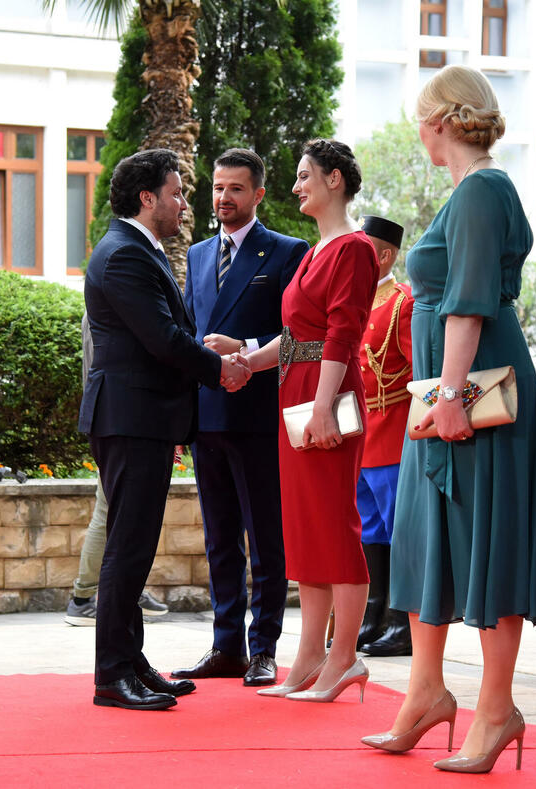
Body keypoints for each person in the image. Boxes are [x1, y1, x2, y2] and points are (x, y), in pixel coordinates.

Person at [361, 65, 536, 772]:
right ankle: (425, 693)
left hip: (470, 393)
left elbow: (469, 302)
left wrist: (450, 398)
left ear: (442, 120)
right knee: (428, 541)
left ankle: (496, 710)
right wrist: (442, 396)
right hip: (446, 391)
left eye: (421, 117)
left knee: (486, 543)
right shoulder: (470, 191)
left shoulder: (481, 190)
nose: (418, 131)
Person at [79, 148, 251, 711]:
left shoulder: (138, 249)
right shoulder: (124, 254)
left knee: (134, 547)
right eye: (177, 194)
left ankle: (131, 663)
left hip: (141, 419)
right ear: (147, 198)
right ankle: (112, 675)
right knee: (128, 549)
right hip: (130, 419)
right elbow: (163, 339)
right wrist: (220, 369)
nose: (185, 204)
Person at [244, 139, 379, 702]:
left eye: (304, 175)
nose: (296, 185)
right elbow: (295, 336)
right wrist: (247, 362)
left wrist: (324, 406)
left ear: (334, 180)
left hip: (325, 396)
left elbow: (343, 334)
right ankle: (307, 659)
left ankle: (344, 657)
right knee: (305, 531)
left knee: (335, 527)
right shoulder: (315, 250)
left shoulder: (354, 249)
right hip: (296, 393)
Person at [172, 150, 308, 687]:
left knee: (265, 538)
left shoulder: (288, 252)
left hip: (257, 417)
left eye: (235, 188)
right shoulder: (199, 254)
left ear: (258, 195)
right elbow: (188, 332)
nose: (223, 197)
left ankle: (263, 649)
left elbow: (298, 335)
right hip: (207, 418)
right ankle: (225, 646)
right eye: (217, 187)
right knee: (219, 539)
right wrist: (181, 418)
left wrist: (245, 348)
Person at [65, 312, 169, 626]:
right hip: (115, 422)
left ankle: (118, 590)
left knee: (113, 510)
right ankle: (85, 597)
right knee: (108, 510)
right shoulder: (105, 307)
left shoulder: (104, 305)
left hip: (111, 420)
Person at [355, 215, 415, 659]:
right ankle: (373, 613)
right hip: (359, 434)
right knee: (369, 529)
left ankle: (402, 621)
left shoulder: (402, 304)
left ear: (385, 256)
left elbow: (420, 371)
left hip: (393, 433)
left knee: (399, 530)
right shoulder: (352, 301)